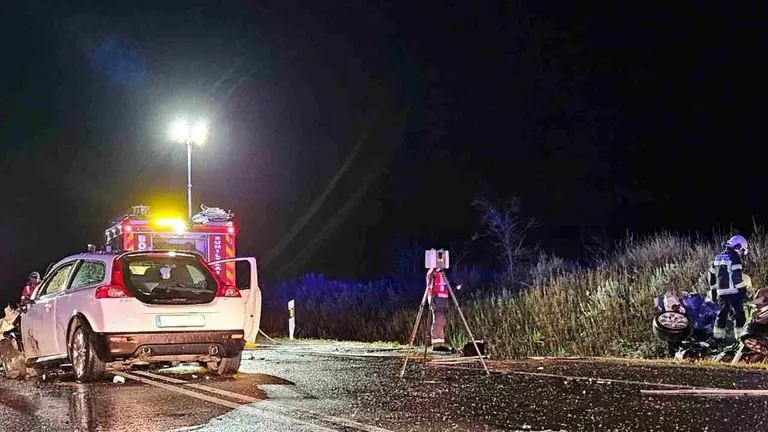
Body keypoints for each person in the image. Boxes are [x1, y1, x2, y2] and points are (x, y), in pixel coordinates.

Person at [709, 235, 750, 342]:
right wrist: (743, 292)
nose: (741, 253)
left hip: (721, 293)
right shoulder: (735, 257)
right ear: (738, 247)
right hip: (733, 292)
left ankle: (717, 340)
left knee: (721, 315)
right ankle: (741, 340)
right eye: (742, 250)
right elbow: (736, 277)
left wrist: (713, 292)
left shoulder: (718, 257)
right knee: (739, 315)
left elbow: (712, 276)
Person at [427, 268, 450, 352]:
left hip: (443, 300)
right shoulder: (432, 273)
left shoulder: (441, 273)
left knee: (441, 322)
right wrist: (432, 301)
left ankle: (440, 343)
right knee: (438, 322)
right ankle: (436, 345)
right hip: (437, 300)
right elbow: (430, 288)